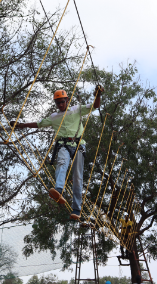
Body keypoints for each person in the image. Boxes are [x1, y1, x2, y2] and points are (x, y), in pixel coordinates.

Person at [10, 85, 104, 220]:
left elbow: (95, 106)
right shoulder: (54, 117)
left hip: (78, 145)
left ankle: (76, 209)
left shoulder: (76, 109)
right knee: (61, 163)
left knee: (77, 177)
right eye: (57, 102)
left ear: (67, 100)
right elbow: (38, 124)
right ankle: (59, 191)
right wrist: (22, 125)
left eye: (62, 102)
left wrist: (98, 95)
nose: (60, 104)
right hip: (63, 145)